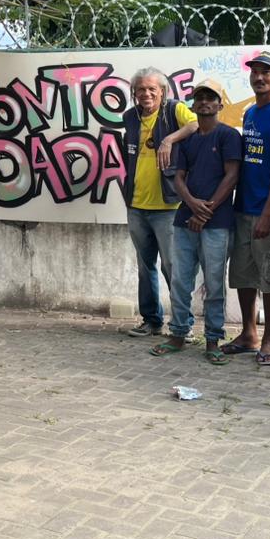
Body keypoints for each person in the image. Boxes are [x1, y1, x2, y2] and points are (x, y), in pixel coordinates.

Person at [149, 78, 241, 364]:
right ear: (193, 104)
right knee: (179, 280)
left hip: (217, 222)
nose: (204, 102)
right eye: (199, 97)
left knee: (214, 283)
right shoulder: (188, 139)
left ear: (220, 105)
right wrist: (191, 204)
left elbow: (232, 176)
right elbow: (178, 177)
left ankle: (213, 339)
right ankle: (178, 333)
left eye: (210, 98)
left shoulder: (228, 136)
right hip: (184, 220)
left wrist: (206, 211)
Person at [223, 52, 270, 366]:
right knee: (243, 273)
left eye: (267, 72)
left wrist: (268, 212)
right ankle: (248, 333)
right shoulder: (251, 112)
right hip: (244, 206)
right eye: (255, 72)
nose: (260, 77)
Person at [121, 67, 195, 338]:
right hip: (136, 205)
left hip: (168, 207)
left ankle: (183, 325)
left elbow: (196, 124)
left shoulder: (174, 110)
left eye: (152, 89)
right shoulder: (130, 117)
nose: (146, 94)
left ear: (162, 91)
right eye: (141, 89)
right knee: (145, 267)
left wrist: (169, 140)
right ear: (134, 93)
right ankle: (151, 321)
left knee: (173, 267)